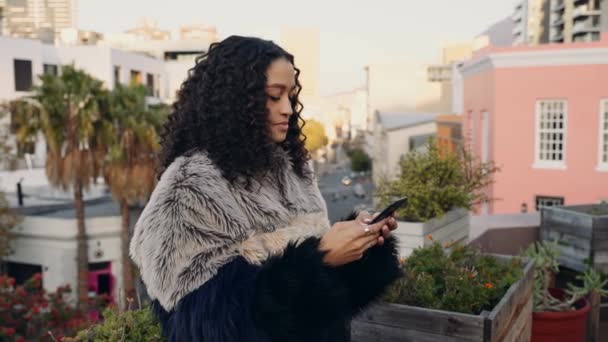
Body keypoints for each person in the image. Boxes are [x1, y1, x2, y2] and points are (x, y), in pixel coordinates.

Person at [129, 35, 401, 342]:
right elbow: (202, 325)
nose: (287, 109)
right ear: (234, 101)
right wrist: (318, 257)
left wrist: (362, 246)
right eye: (274, 96)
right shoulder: (190, 186)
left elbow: (327, 303)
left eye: (291, 96)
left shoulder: (290, 170)